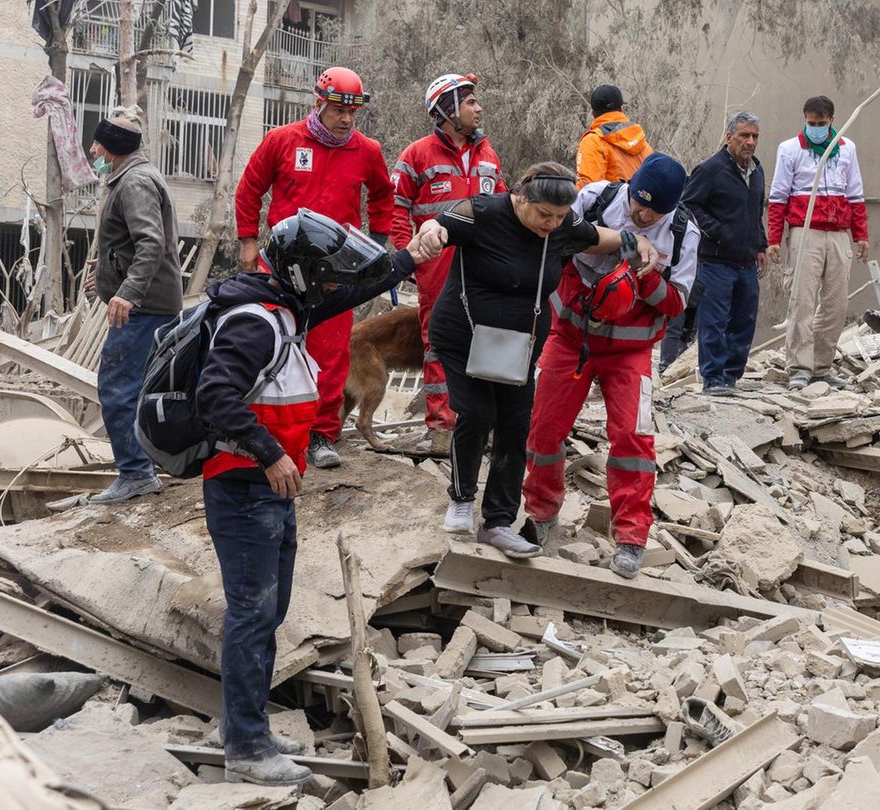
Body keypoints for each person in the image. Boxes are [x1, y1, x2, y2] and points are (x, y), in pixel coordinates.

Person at [198, 210, 436, 786]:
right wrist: (269, 452)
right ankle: (246, 749)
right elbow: (214, 394)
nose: (333, 288)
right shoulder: (255, 322)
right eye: (326, 278)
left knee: (269, 610)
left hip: (270, 488)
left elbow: (354, 292)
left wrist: (410, 258)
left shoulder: (286, 306)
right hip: (245, 485)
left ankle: (243, 727)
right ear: (304, 275)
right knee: (252, 614)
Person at [412, 163, 661, 557]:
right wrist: (431, 233)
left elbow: (597, 237)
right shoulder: (483, 212)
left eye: (560, 217)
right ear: (521, 198)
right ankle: (461, 498)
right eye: (545, 214)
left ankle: (498, 522)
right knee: (477, 412)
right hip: (464, 336)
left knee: (515, 424)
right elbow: (439, 225)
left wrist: (635, 241)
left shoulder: (561, 227)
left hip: (516, 347)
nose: (552, 224)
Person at [522, 154, 699, 577]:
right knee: (544, 427)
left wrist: (645, 276)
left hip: (630, 352)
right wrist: (611, 241)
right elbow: (554, 237)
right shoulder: (594, 199)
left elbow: (677, 302)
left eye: (653, 211)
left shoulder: (682, 232)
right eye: (638, 202)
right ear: (631, 186)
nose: (642, 214)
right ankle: (541, 513)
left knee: (633, 440)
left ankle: (631, 538)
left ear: (671, 208)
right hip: (570, 337)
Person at [235, 66, 393, 470]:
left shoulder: (367, 151)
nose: (346, 120)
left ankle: (322, 433)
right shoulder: (282, 140)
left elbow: (382, 196)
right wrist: (248, 240)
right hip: (281, 264)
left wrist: (377, 245)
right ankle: (262, 431)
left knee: (330, 350)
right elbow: (250, 188)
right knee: (271, 340)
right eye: (339, 110)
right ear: (319, 103)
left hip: (336, 270)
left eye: (352, 112)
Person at [390, 73, 507, 451]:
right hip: (438, 268)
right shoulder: (416, 155)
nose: (478, 108)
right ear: (447, 110)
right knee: (440, 344)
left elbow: (504, 209)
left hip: (485, 269)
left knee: (488, 343)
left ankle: (484, 425)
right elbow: (396, 210)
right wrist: (408, 257)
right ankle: (442, 427)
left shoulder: (488, 155)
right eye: (470, 102)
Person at [85, 114, 182, 504]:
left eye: (97, 145)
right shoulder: (133, 176)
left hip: (143, 308)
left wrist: (127, 292)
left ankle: (136, 473)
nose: (93, 151)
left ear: (113, 148)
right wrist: (107, 271)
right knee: (138, 388)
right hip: (149, 302)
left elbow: (151, 242)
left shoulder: (135, 182)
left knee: (118, 387)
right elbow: (134, 242)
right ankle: (142, 468)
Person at [765, 95, 868, 390]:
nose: (816, 128)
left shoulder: (847, 148)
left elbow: (856, 194)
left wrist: (861, 235)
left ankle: (822, 367)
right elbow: (778, 197)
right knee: (802, 301)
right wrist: (774, 239)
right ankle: (799, 368)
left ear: (832, 120)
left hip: (838, 233)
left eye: (821, 123)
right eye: (811, 123)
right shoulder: (790, 149)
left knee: (836, 303)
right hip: (805, 231)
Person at [680, 112, 768, 395]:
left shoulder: (757, 172)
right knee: (714, 322)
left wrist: (761, 245)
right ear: (729, 137)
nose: (750, 141)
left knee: (744, 321)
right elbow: (688, 205)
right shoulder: (710, 170)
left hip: (746, 262)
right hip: (716, 261)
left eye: (754, 136)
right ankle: (713, 378)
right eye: (744, 135)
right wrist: (717, 232)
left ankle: (731, 376)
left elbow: (756, 213)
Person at [576, 84, 653, 188]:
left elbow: (587, 188)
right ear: (621, 109)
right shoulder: (643, 143)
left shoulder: (593, 142)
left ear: (593, 113)